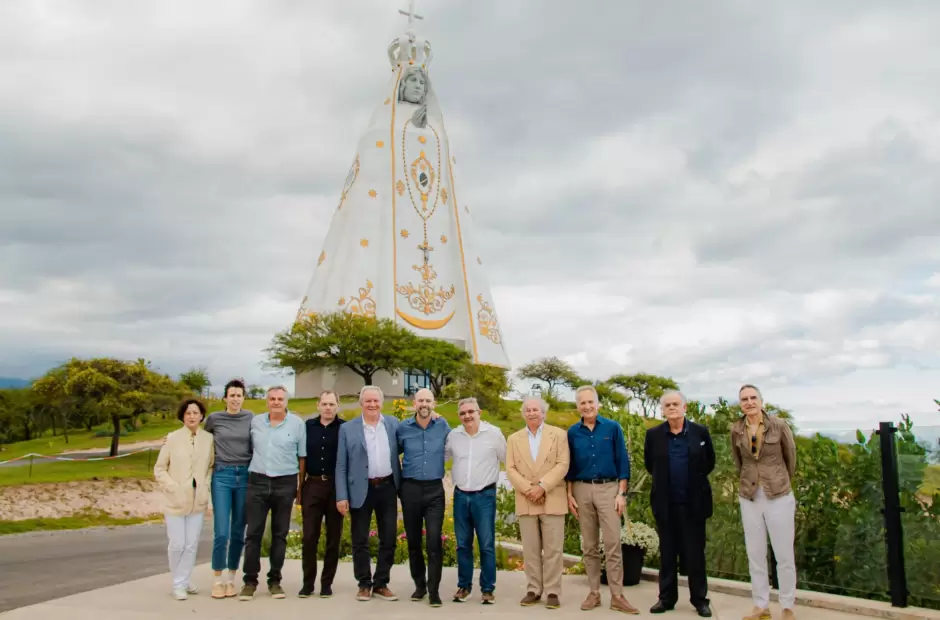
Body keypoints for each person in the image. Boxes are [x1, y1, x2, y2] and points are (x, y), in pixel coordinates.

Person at [566, 385, 639, 615]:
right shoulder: (572, 432)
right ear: (577, 406)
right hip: (581, 490)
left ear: (598, 404)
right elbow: (569, 467)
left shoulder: (612, 428)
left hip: (609, 489)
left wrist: (621, 493)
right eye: (582, 403)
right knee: (589, 546)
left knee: (613, 543)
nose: (587, 406)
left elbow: (623, 463)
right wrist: (569, 494)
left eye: (590, 402)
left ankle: (617, 596)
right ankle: (594, 592)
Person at [644, 390, 715, 617]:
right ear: (663, 410)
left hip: (694, 506)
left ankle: (700, 600)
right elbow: (649, 465)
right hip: (666, 505)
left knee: (695, 555)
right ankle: (666, 599)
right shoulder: (653, 435)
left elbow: (709, 463)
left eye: (676, 404)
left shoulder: (699, 432)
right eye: (667, 405)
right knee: (667, 555)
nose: (672, 408)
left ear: (685, 407)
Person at [732, 384, 798, 620]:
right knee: (755, 554)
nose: (749, 402)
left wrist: (780, 481)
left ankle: (787, 605)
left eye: (753, 398)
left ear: (761, 400)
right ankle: (761, 606)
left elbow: (790, 457)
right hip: (749, 497)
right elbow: (739, 461)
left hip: (778, 495)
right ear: (740, 403)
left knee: (784, 555)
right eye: (744, 399)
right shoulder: (737, 429)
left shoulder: (778, 425)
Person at [239, 386, 306, 601]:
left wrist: (299, 488)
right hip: (257, 481)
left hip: (285, 483)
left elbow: (301, 458)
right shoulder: (256, 422)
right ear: (267, 401)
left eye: (280, 399)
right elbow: (249, 450)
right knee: (253, 534)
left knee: (280, 534)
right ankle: (249, 581)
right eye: (272, 399)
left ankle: (275, 580)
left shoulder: (297, 424)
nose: (276, 402)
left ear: (286, 401)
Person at [336, 385, 402, 602]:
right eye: (368, 401)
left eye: (376, 401)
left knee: (389, 538)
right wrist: (341, 495)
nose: (372, 405)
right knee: (360, 539)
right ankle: (364, 583)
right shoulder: (348, 429)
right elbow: (341, 466)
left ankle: (381, 583)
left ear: (381, 403)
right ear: (361, 403)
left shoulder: (393, 424)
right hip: (360, 489)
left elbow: (410, 439)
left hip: (387, 487)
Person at [505, 397, 570, 609]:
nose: (532, 413)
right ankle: (533, 589)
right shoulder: (514, 438)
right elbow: (511, 468)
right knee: (530, 548)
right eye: (528, 410)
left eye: (536, 409)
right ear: (524, 414)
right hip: (526, 498)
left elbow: (563, 464)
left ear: (543, 413)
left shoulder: (559, 435)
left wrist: (542, 486)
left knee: (553, 548)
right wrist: (528, 489)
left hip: (552, 495)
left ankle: (552, 591)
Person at [446, 397, 506, 604]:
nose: (467, 416)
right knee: (463, 544)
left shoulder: (494, 434)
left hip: (484, 496)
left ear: (479, 412)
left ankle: (488, 589)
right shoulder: (454, 436)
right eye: (463, 413)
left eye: (471, 411)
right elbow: (443, 458)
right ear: (459, 416)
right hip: (461, 495)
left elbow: (508, 459)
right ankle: (464, 587)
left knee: (486, 544)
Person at [153, 398, 215, 600]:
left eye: (196, 413)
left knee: (191, 544)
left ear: (202, 416)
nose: (192, 416)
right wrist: (173, 488)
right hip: (176, 500)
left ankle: (184, 581)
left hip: (198, 499)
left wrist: (205, 485)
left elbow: (210, 466)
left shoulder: (208, 439)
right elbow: (160, 468)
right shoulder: (172, 438)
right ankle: (178, 582)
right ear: (182, 415)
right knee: (177, 543)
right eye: (188, 413)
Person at [396, 388, 451, 607]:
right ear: (414, 403)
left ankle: (434, 590)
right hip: (410, 489)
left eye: (428, 400)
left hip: (434, 491)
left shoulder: (443, 426)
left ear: (434, 403)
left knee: (434, 540)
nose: (424, 404)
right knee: (414, 542)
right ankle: (419, 585)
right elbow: (394, 454)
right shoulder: (403, 428)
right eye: (420, 400)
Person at [204, 378, 253, 599]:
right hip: (222, 476)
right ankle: (217, 579)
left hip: (244, 476)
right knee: (221, 532)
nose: (235, 399)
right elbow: (201, 438)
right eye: (231, 395)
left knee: (237, 531)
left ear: (244, 397)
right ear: (225, 398)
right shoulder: (215, 419)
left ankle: (231, 579)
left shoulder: (251, 418)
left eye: (239, 395)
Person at [297, 390, 346, 599]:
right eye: (324, 404)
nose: (328, 408)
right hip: (313, 485)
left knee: (333, 538)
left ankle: (327, 583)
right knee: (309, 537)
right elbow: (300, 459)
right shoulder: (306, 427)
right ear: (318, 405)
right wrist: (299, 490)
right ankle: (308, 583)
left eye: (332, 404)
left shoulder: (345, 428)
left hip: (336, 487)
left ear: (337, 406)